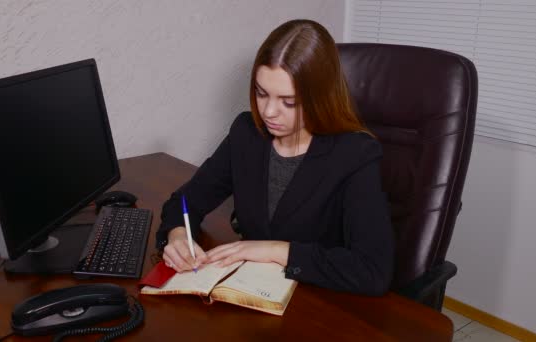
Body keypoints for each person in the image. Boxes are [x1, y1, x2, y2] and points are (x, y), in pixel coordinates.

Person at [155, 19, 394, 296]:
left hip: (319, 303)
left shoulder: (355, 155)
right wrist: (178, 236)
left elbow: (372, 271)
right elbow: (185, 202)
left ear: (322, 97)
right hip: (249, 293)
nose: (268, 112)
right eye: (261, 93)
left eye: (288, 102)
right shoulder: (247, 134)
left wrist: (275, 250)